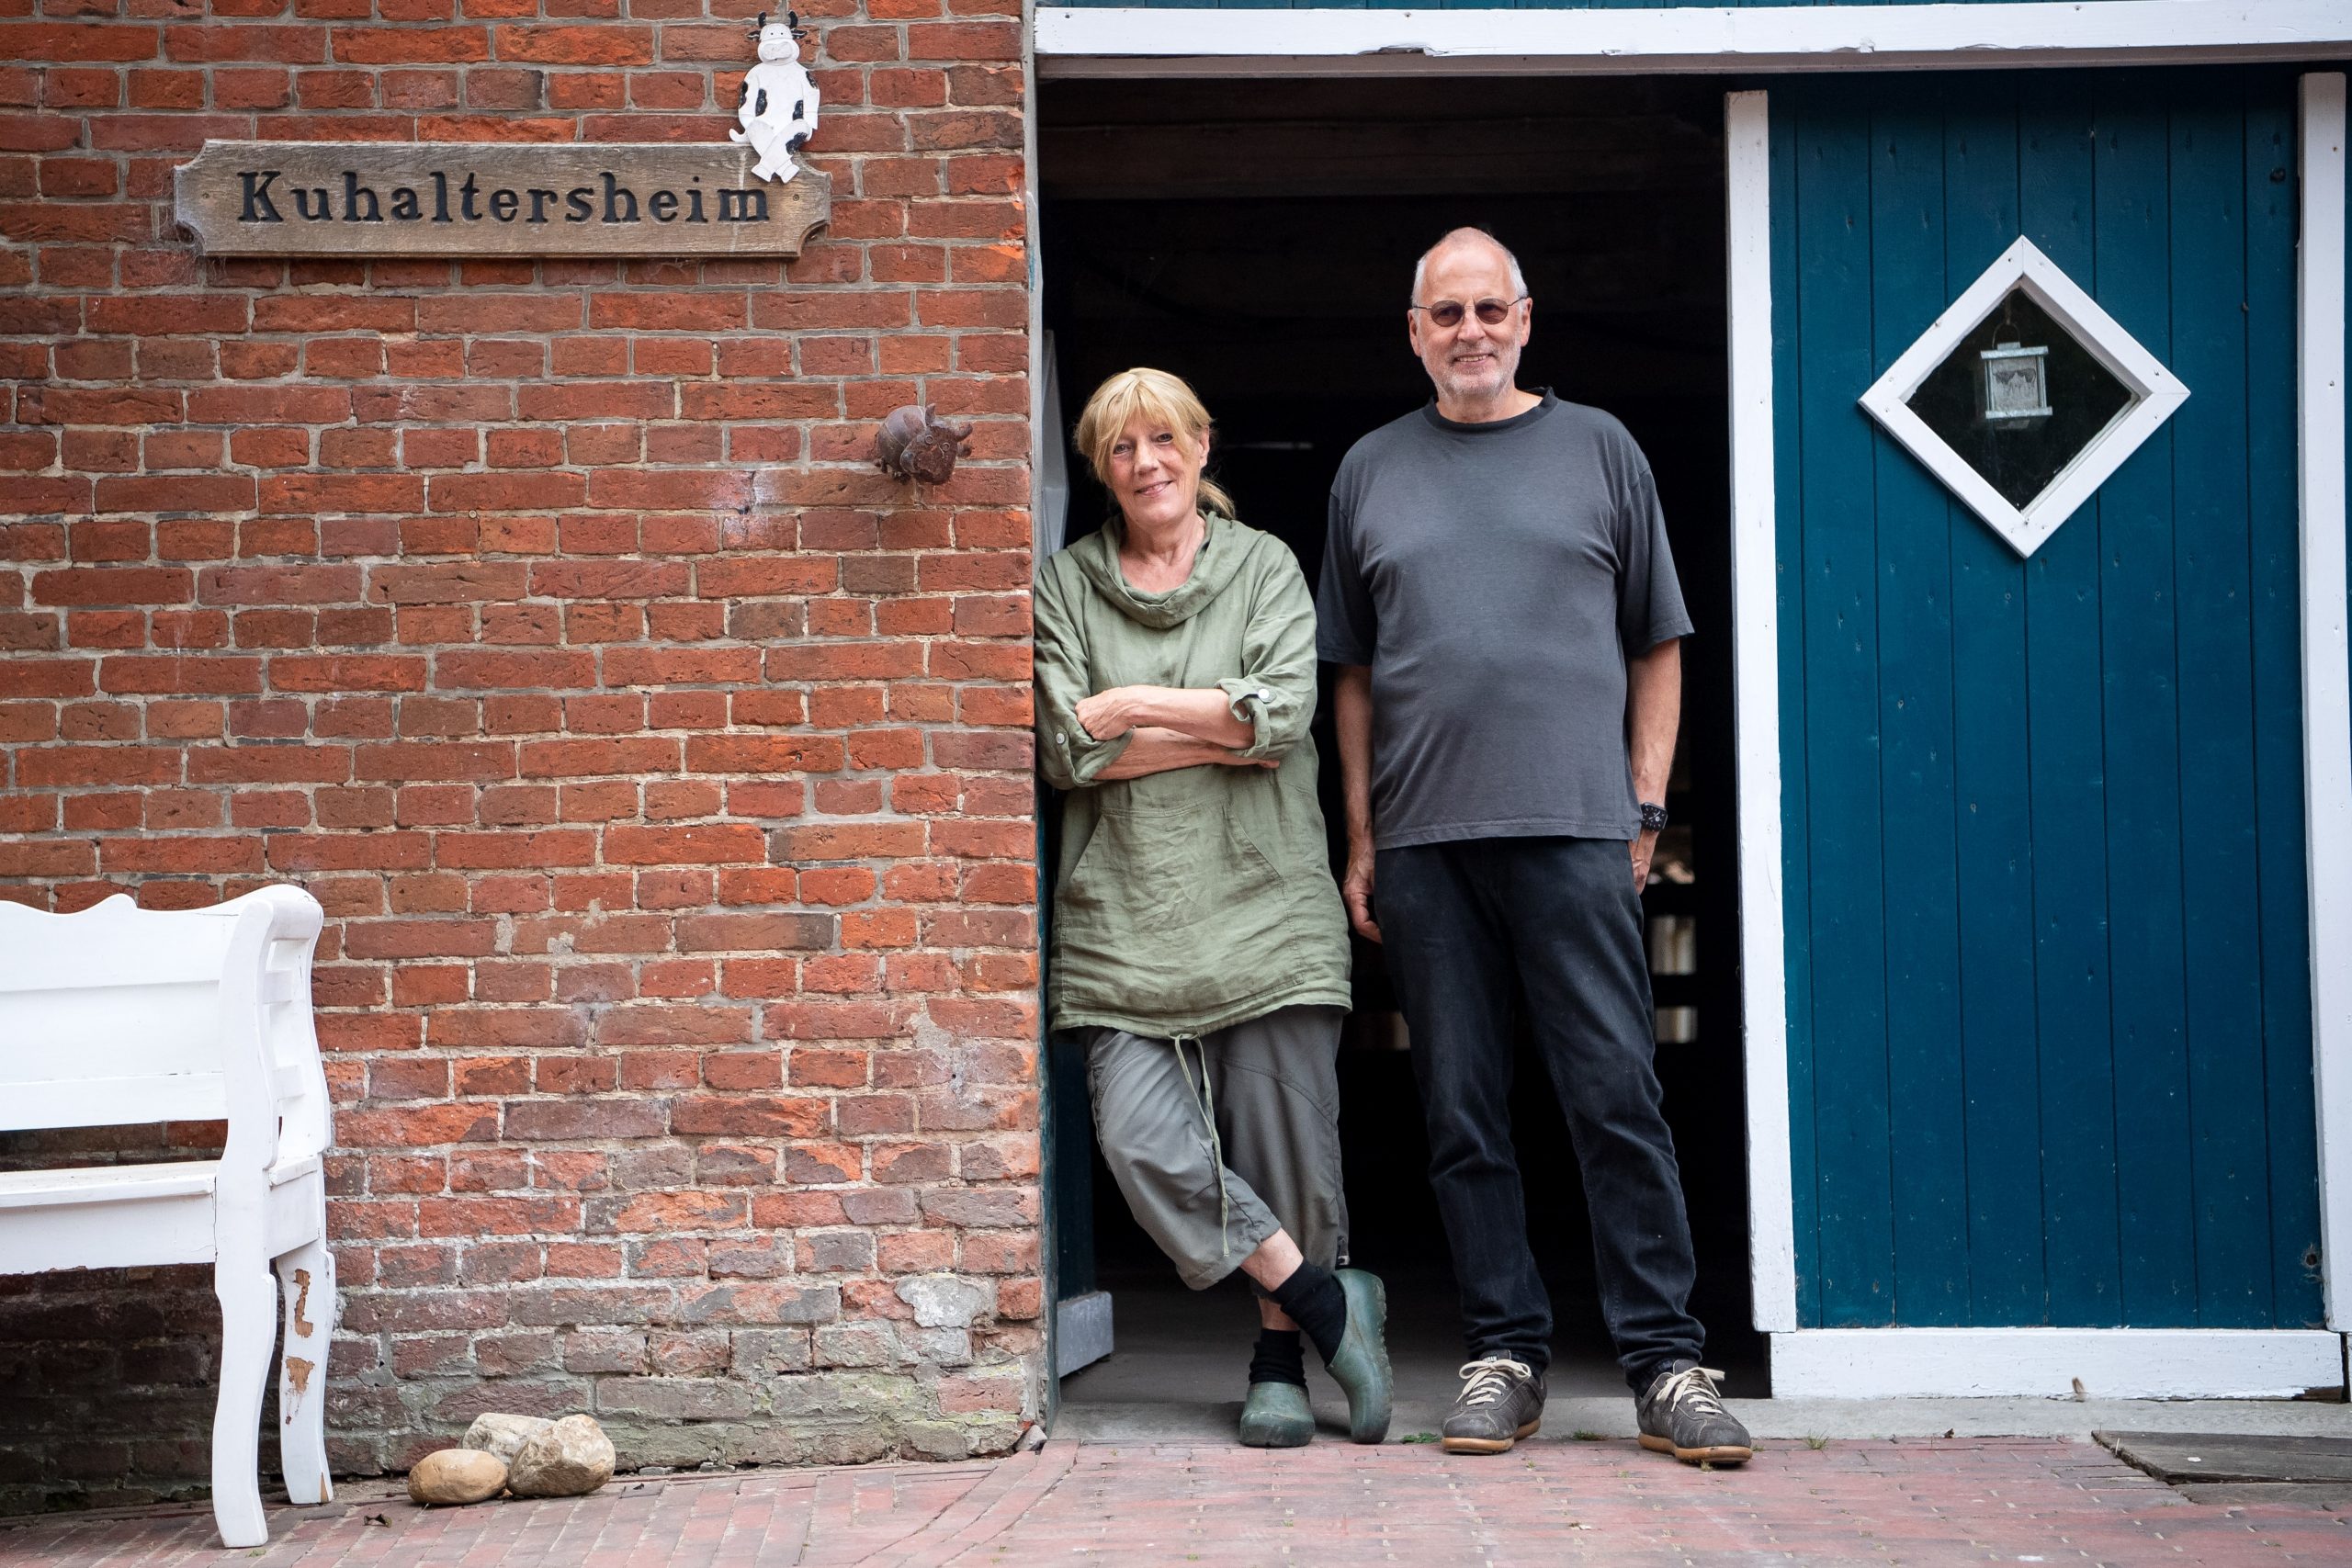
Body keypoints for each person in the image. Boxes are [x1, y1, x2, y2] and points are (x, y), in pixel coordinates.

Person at [1316, 229, 1752, 1464]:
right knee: (1462, 1110)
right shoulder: (1369, 471)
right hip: (1426, 841)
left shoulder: (1600, 448)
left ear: (1524, 317)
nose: (1469, 329)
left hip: (1574, 833)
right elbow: (1349, 674)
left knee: (1613, 1095)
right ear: (1415, 332)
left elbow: (1657, 639)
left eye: (1488, 308)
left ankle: (1667, 1362)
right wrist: (1361, 836)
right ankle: (1505, 1350)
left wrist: (1645, 807)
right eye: (1445, 311)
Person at [1035, 367, 1392, 1448]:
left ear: (1201, 445)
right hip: (1124, 921)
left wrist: (1137, 704)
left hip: (1264, 907)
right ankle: (1328, 1299)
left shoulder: (1266, 567)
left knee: (1284, 1150)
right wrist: (1217, 724)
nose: (1147, 462)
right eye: (1120, 447)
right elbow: (1063, 748)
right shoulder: (1067, 585)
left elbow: (1281, 719)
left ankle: (1278, 1358)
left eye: (1164, 439)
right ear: (1101, 468)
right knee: (1142, 1143)